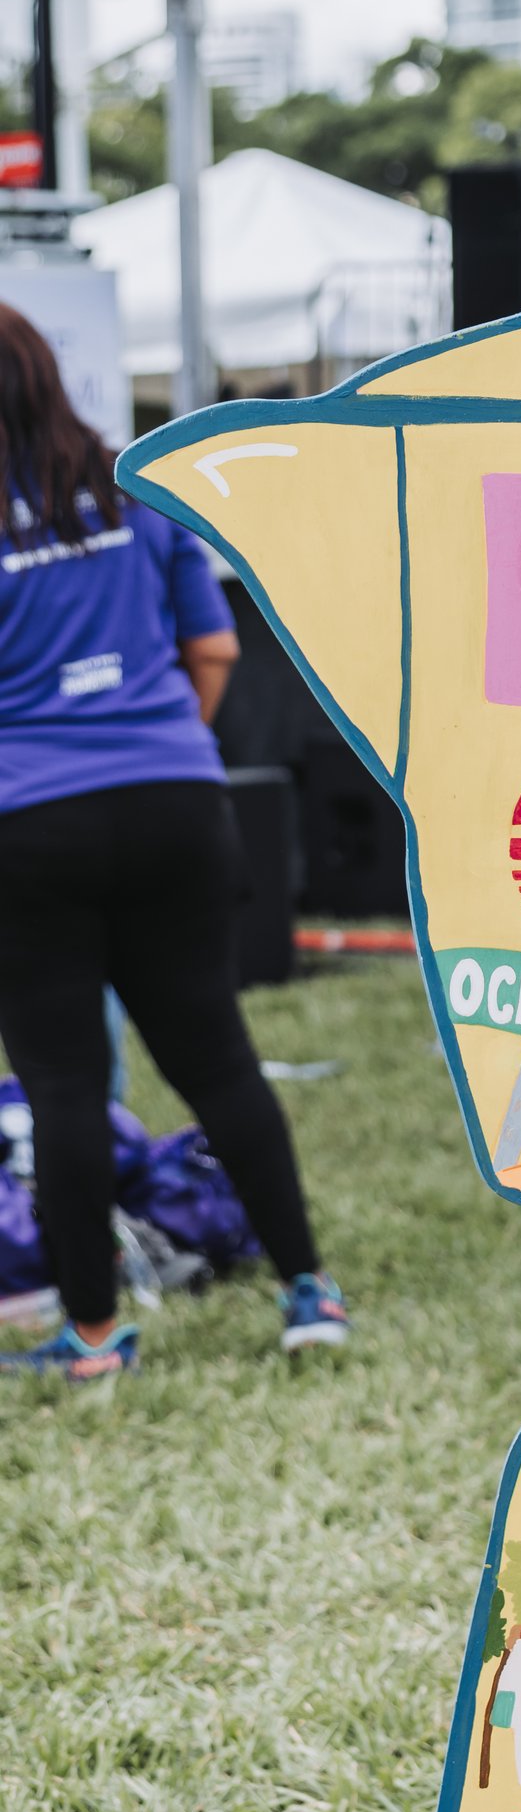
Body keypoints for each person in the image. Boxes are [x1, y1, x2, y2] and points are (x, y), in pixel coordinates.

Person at [0, 306, 344, 1378]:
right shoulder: (132, 487)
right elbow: (213, 645)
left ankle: (97, 1338)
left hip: (27, 822)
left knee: (61, 1083)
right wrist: (161, 750)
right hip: (176, 807)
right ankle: (308, 1294)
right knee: (216, 1056)